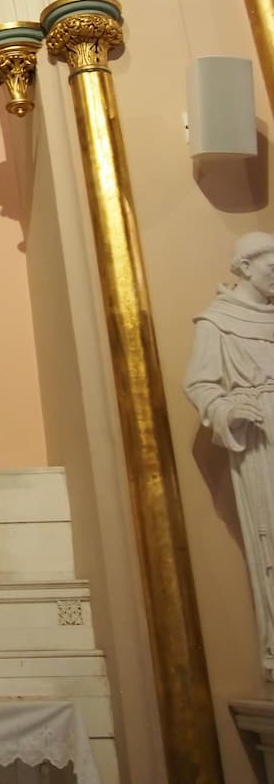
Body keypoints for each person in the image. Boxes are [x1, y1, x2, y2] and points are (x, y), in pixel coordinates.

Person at [185, 231, 274, 680]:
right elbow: (201, 384)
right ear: (244, 267)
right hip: (260, 438)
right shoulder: (216, 321)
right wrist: (229, 409)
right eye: (271, 266)